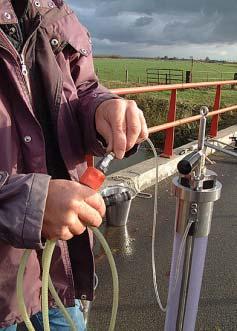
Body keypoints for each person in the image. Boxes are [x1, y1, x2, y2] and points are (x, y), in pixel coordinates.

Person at [0, 0, 148, 330]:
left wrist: (103, 110)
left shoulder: (54, 9)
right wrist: (29, 203)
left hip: (57, 277)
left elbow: (83, 87)